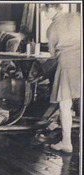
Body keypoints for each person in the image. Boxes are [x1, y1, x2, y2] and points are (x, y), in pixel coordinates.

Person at [42, 4, 81, 153]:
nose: (45, 15)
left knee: (65, 106)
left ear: (54, 8)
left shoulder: (52, 29)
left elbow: (53, 55)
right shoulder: (77, 17)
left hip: (66, 67)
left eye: (46, 11)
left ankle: (66, 142)